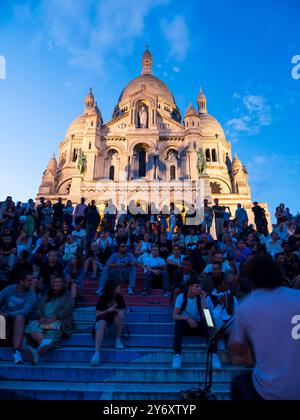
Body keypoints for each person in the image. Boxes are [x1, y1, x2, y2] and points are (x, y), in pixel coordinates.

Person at [230, 254, 300, 400]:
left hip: (269, 391)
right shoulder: (297, 297)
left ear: (251, 279)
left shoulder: (246, 306)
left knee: (238, 383)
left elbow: (237, 349)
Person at [172, 278, 221, 370]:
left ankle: (214, 355)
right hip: (185, 326)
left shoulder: (201, 298)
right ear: (190, 287)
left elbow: (208, 318)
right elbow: (174, 315)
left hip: (198, 326)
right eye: (197, 287)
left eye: (200, 287)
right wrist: (187, 318)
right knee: (178, 324)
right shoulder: (181, 297)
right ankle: (177, 355)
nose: (199, 289)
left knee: (210, 325)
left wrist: (203, 300)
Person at [25, 276, 74, 365]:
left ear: (63, 284)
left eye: (58, 282)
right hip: (44, 321)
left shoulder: (67, 296)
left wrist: (54, 317)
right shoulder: (46, 295)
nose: (56, 284)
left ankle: (36, 353)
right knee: (32, 326)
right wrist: (41, 317)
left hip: (59, 320)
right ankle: (44, 343)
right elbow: (39, 309)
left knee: (54, 331)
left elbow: (67, 309)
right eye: (54, 282)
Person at [0, 272, 36, 364]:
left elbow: (25, 310)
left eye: (32, 280)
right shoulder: (10, 289)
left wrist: (8, 314)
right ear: (21, 281)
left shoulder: (31, 294)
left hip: (19, 320)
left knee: (20, 317)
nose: (31, 282)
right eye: (29, 280)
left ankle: (17, 352)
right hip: (4, 319)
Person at [90, 279, 126, 366]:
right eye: (118, 287)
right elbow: (97, 314)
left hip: (115, 323)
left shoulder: (119, 297)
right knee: (101, 323)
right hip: (103, 322)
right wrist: (108, 310)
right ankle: (97, 353)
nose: (119, 288)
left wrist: (115, 310)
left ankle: (118, 340)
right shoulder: (103, 298)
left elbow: (123, 311)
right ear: (112, 289)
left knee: (120, 315)